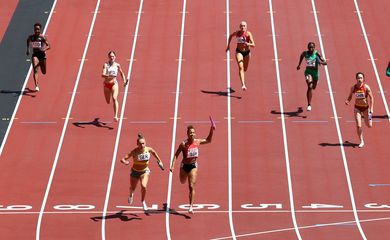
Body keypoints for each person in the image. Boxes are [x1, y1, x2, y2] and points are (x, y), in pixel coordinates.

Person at [170, 124, 215, 214]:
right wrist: (172, 165)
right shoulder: (183, 144)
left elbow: (208, 140)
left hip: (193, 166)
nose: (192, 134)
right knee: (182, 181)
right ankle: (184, 175)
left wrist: (211, 130)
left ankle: (191, 206)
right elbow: (176, 155)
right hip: (184, 166)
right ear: (187, 133)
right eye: (190, 133)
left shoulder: (197, 142)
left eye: (193, 132)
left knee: (191, 186)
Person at [120, 133, 164, 211]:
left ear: (145, 143)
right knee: (133, 188)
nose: (142, 145)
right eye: (140, 144)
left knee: (143, 186)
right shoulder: (134, 152)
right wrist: (125, 162)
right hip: (135, 172)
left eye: (143, 143)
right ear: (137, 144)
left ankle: (143, 201)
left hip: (145, 171)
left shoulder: (148, 149)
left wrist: (159, 161)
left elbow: (154, 153)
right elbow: (123, 158)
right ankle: (131, 194)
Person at [345, 72, 374, 148]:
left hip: (365, 108)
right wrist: (348, 101)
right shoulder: (353, 88)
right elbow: (350, 96)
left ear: (363, 79)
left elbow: (371, 98)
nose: (359, 79)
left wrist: (371, 108)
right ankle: (361, 141)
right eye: (358, 78)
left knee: (369, 125)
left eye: (361, 78)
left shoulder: (366, 87)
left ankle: (370, 117)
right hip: (357, 108)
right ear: (356, 79)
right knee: (358, 125)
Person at [296, 42, 327, 111]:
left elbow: (325, 62)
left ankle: (315, 82)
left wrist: (320, 62)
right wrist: (299, 65)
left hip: (315, 73)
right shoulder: (305, 53)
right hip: (308, 72)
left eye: (312, 47)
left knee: (313, 87)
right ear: (307, 47)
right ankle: (309, 104)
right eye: (310, 47)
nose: (311, 48)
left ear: (314, 47)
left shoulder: (317, 54)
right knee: (310, 86)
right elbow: (301, 56)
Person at [226, 21, 255, 91]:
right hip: (239, 52)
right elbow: (230, 36)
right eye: (241, 26)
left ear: (246, 27)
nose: (243, 27)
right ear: (239, 27)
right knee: (240, 67)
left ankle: (242, 80)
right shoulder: (237, 33)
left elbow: (253, 44)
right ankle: (243, 85)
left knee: (245, 69)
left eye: (244, 26)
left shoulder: (248, 34)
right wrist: (228, 46)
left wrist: (248, 44)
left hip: (247, 53)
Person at [101, 51, 128, 122]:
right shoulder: (105, 65)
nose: (111, 57)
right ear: (108, 57)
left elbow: (121, 73)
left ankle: (115, 116)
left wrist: (124, 81)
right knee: (108, 101)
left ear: (115, 57)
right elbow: (102, 75)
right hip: (106, 85)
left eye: (113, 56)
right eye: (110, 56)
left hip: (114, 84)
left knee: (114, 98)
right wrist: (109, 76)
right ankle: (109, 94)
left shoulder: (117, 65)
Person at [26, 22, 51, 92]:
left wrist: (44, 49)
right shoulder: (31, 37)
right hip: (35, 55)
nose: (37, 30)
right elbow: (28, 41)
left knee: (43, 72)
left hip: (42, 55)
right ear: (34, 29)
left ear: (40, 30)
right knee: (35, 69)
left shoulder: (42, 37)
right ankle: (36, 85)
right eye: (35, 29)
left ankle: (40, 63)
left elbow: (49, 46)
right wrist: (28, 49)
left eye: (38, 29)